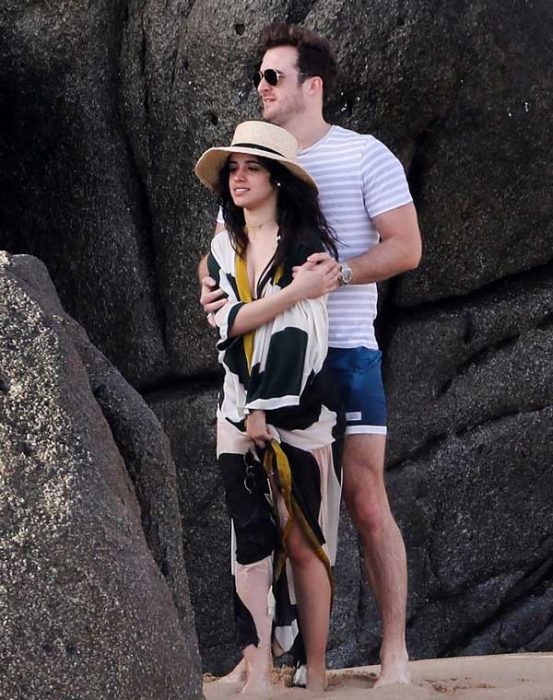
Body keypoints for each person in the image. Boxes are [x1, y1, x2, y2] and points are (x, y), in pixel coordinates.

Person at [199, 23, 422, 687]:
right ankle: (268, 660)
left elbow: (405, 248)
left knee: (362, 496)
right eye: (259, 78)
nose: (261, 88)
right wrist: (209, 288)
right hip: (259, 363)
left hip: (347, 351)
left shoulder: (363, 156)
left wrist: (337, 275)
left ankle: (393, 655)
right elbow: (219, 250)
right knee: (264, 511)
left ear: (311, 85)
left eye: (274, 76)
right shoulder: (252, 158)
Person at [194, 120, 343, 693]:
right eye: (233, 167)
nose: (239, 177)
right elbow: (228, 322)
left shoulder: (308, 249)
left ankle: (318, 666)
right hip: (234, 410)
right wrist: (288, 295)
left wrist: (264, 409)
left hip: (299, 415)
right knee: (249, 539)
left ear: (277, 179)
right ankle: (257, 669)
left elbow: (301, 339)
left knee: (303, 542)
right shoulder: (222, 246)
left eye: (252, 167)